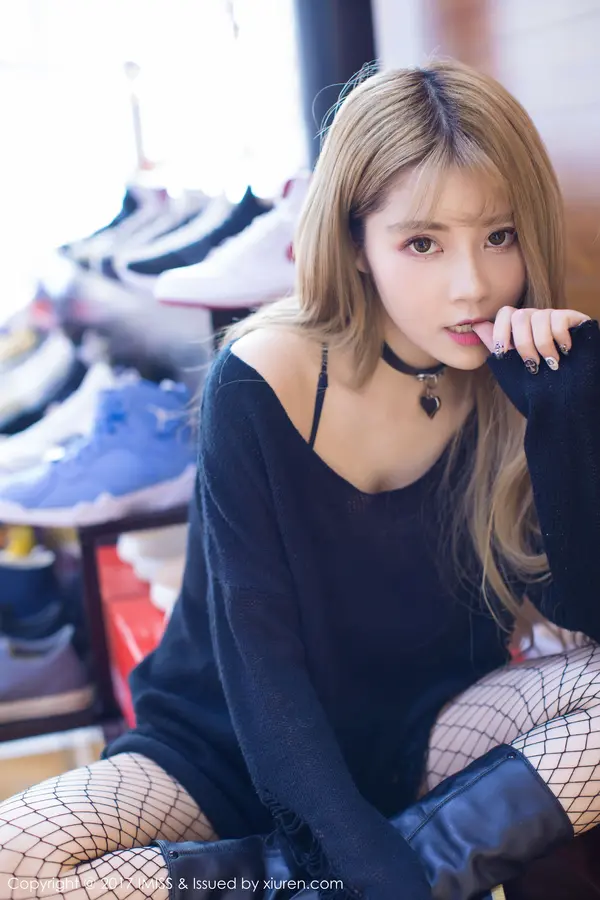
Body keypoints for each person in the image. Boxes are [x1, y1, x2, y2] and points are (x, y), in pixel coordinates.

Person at [2, 57, 600, 900]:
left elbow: (582, 611)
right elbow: (262, 676)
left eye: (498, 236)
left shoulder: (517, 373)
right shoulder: (265, 374)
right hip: (225, 752)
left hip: (426, 737)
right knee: (13, 859)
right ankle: (340, 879)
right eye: (422, 243)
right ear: (356, 244)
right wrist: (369, 872)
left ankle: (313, 885)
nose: (472, 285)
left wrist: (564, 414)